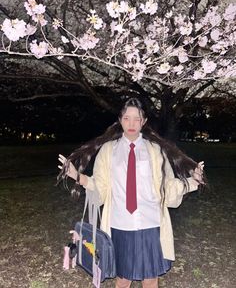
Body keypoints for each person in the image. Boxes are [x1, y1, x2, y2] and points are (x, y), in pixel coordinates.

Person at [58, 97, 205, 288]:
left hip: (150, 224)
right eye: (127, 118)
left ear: (144, 121)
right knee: (123, 279)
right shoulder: (109, 150)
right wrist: (77, 176)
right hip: (120, 225)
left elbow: (168, 187)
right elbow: (100, 187)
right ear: (120, 120)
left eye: (137, 119)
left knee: (151, 279)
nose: (132, 124)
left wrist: (193, 181)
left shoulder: (156, 150)